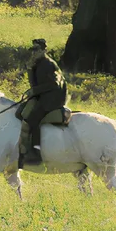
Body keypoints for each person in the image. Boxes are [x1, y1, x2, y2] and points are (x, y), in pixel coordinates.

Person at [18, 38, 68, 166]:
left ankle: (36, 153)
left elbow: (54, 84)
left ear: (45, 50)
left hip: (53, 99)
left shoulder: (48, 64)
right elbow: (34, 84)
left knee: (32, 120)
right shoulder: (38, 64)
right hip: (43, 96)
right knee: (20, 112)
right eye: (33, 50)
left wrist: (34, 91)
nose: (34, 53)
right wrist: (30, 70)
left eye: (37, 50)